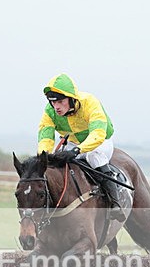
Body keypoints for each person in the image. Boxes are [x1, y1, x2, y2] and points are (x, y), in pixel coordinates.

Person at [38, 73, 125, 221]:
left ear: (71, 98)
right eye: (53, 102)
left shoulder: (90, 102)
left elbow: (97, 133)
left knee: (94, 157)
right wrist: (44, 156)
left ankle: (114, 202)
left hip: (100, 141)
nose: (56, 106)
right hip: (72, 142)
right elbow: (45, 134)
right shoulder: (50, 111)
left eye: (60, 101)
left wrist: (78, 150)